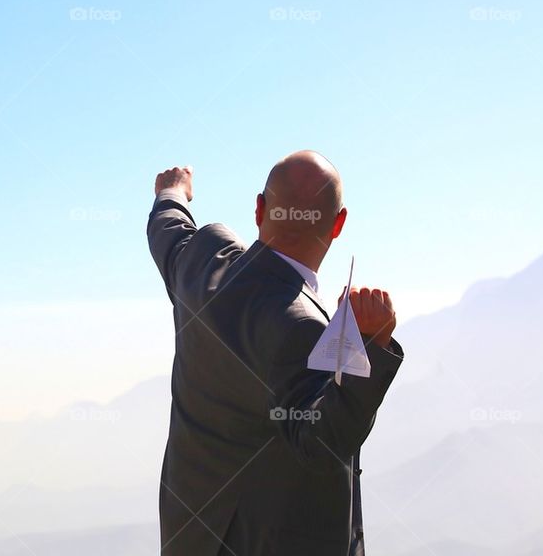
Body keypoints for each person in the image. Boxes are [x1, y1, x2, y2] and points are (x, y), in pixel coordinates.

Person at [147, 151, 404, 555]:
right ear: (338, 224)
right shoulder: (301, 327)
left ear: (259, 209)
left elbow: (169, 232)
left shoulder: (203, 261)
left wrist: (171, 193)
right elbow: (321, 442)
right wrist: (373, 345)